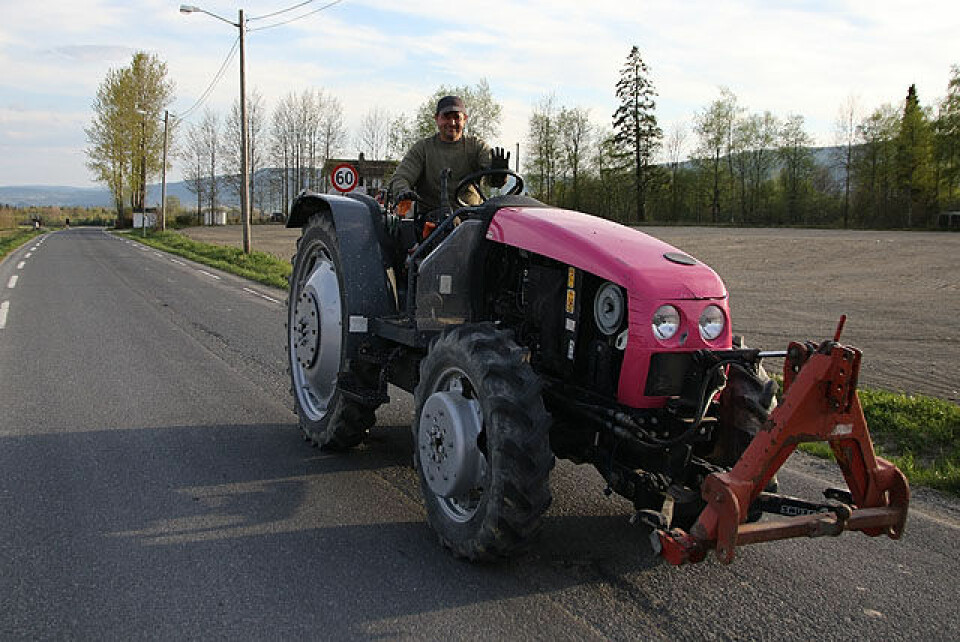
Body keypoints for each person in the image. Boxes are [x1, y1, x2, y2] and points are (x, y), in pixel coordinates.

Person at [388, 95, 509, 215]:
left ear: (465, 119)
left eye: (457, 117)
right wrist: (403, 191)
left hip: (472, 216)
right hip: (432, 217)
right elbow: (401, 178)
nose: (452, 123)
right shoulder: (423, 148)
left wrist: (499, 175)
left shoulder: (477, 146)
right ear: (437, 119)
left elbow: (493, 178)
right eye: (446, 117)